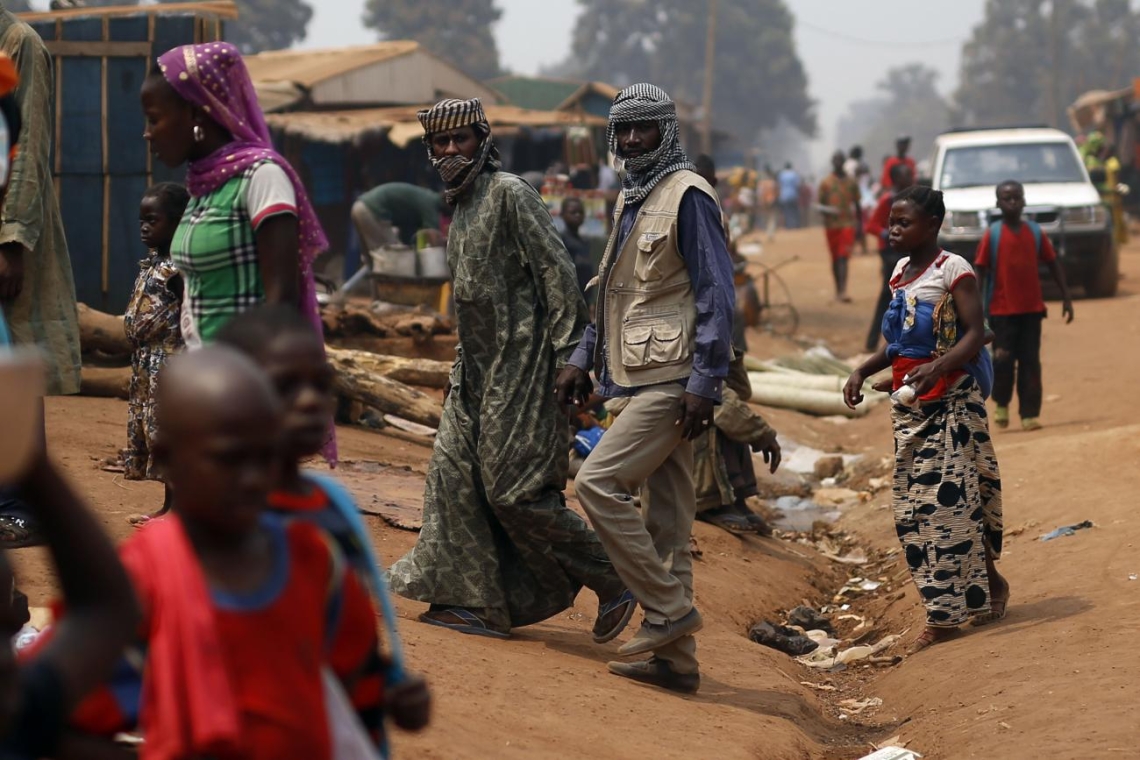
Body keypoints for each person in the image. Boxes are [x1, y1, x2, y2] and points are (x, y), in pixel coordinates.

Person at [51, 347, 392, 760]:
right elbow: (49, 719)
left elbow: (360, 682)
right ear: (167, 460)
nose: (251, 479)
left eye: (266, 457)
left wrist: (394, 697)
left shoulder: (314, 562)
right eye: (229, 459)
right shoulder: (143, 580)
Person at [386, 98, 634, 644]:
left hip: (523, 368)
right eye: (440, 143)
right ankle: (472, 602)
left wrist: (574, 358)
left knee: (514, 492)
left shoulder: (509, 194)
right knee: (452, 479)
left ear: (483, 139)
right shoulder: (462, 207)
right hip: (472, 372)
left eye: (461, 140)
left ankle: (613, 575)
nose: (450, 151)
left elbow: (557, 275)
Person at [556, 83, 735, 694]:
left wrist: (707, 382)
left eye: (644, 129)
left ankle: (668, 609)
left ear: (667, 130)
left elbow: (715, 293)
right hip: (635, 373)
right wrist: (583, 357)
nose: (633, 140)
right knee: (667, 524)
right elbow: (610, 289)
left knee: (597, 484)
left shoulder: (688, 197)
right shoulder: (634, 197)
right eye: (624, 130)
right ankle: (676, 662)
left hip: (672, 379)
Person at [216, 306, 431, 742]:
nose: (312, 400)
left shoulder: (332, 507)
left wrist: (388, 688)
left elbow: (343, 638)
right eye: (285, 387)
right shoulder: (223, 526)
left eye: (321, 385)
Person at [141, 41, 335, 464]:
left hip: (243, 386)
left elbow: (280, 301)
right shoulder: (203, 185)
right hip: (204, 375)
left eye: (154, 119)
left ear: (195, 114)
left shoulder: (261, 177)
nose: (147, 133)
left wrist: (244, 389)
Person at [843, 185, 1007, 655]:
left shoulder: (954, 271)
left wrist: (936, 366)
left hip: (953, 401)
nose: (892, 230)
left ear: (932, 224)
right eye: (891, 222)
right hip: (912, 407)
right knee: (916, 513)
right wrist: (863, 370)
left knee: (949, 508)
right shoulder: (899, 273)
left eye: (903, 222)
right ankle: (986, 588)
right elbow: (900, 345)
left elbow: (977, 333)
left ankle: (943, 618)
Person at [0, 7, 83, 547]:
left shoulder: (18, 42)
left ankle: (18, 504)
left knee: (10, 364)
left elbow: (27, 147)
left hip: (7, 226)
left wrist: (10, 239)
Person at [0, 454, 140, 757]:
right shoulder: (17, 718)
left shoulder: (15, 712)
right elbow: (106, 608)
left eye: (7, 628)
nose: (5, 656)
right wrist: (29, 462)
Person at [690, 154, 782, 536]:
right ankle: (708, 501)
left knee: (726, 398)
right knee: (710, 405)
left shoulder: (710, 224)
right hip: (680, 365)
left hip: (713, 348)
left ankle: (735, 498)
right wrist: (762, 431)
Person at [974, 180, 1074, 432]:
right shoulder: (993, 234)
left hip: (1031, 310)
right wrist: (975, 307)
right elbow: (981, 270)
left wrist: (1066, 297)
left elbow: (1052, 264)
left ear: (1024, 200)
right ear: (998, 203)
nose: (1013, 202)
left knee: (1030, 361)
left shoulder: (1035, 232)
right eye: (1007, 198)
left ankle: (1030, 413)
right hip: (1001, 310)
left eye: (1017, 197)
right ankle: (1002, 405)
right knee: (1002, 359)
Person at [124, 183, 189, 521]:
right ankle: (167, 508)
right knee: (156, 432)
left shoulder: (177, 270)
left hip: (170, 363)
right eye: (141, 221)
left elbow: (189, 312)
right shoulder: (153, 262)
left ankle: (178, 513)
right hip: (147, 365)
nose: (144, 227)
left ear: (177, 223)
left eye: (153, 220)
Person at [865, 162, 916, 352]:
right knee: (888, 295)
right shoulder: (887, 200)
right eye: (905, 175)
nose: (910, 178)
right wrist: (885, 233)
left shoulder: (913, 198)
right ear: (896, 179)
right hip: (890, 254)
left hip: (906, 251)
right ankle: (872, 342)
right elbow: (871, 225)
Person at [818, 150, 861, 302]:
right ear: (832, 162)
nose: (837, 163)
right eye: (835, 160)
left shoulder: (851, 182)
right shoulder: (826, 183)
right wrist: (827, 212)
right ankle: (838, 289)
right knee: (835, 258)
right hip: (831, 225)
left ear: (843, 162)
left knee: (843, 256)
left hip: (847, 223)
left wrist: (860, 225)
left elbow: (857, 203)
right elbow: (820, 205)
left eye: (840, 160)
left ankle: (843, 290)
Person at [352, 181, 446, 250]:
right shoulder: (431, 203)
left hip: (359, 206)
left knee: (374, 260)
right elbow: (434, 240)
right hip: (371, 210)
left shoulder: (425, 198)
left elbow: (407, 235)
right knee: (395, 255)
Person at [560, 196, 593, 296]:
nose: (577, 215)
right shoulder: (560, 240)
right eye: (573, 212)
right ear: (562, 214)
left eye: (580, 212)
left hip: (584, 295)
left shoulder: (584, 242)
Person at [757, 164, 779, 241]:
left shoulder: (761, 183)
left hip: (764, 202)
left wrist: (761, 201)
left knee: (766, 217)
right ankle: (770, 233)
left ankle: (768, 232)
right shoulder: (772, 182)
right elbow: (776, 192)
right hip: (771, 201)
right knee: (772, 218)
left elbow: (759, 193)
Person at [777, 162, 801, 229]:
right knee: (794, 211)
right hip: (793, 195)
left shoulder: (781, 174)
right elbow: (797, 185)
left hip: (784, 196)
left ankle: (788, 225)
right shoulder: (794, 174)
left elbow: (779, 185)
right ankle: (796, 225)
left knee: (786, 212)